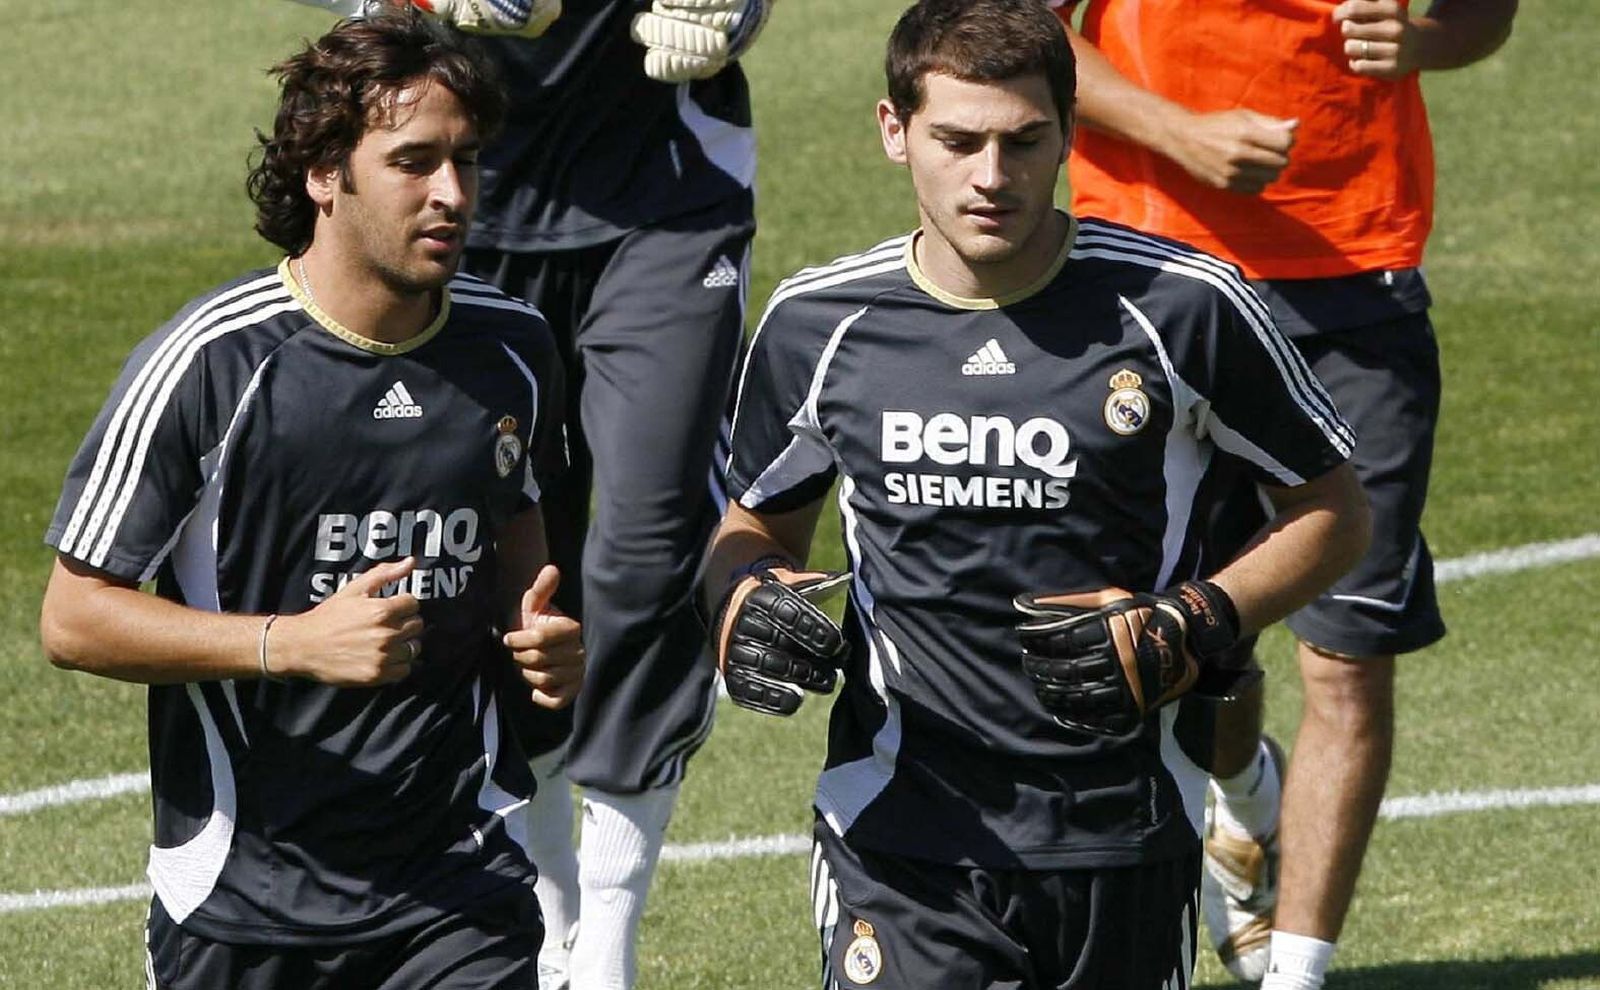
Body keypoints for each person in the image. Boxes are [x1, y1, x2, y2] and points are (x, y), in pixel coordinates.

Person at [703, 0, 1371, 986]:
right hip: (899, 827)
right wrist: (744, 598)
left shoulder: (1184, 307)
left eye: (1022, 142)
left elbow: (1336, 514)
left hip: (1124, 831)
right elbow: (752, 525)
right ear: (894, 134)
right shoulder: (818, 324)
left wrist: (1194, 620)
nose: (989, 176)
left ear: (1068, 132)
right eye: (956, 140)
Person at [37, 11, 582, 989]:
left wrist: (539, 640)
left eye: (466, 161)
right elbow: (74, 619)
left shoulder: (514, 350)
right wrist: (286, 644)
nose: (452, 194)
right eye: (415, 162)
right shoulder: (212, 365)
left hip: (458, 887)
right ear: (325, 171)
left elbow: (516, 537)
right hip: (246, 902)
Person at [284, 1, 771, 985]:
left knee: (645, 544)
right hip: (459, 189)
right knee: (505, 565)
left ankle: (608, 953)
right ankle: (550, 913)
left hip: (665, 193)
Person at [1053, 0, 1517, 984]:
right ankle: (1246, 795)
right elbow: (1018, 30)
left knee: (1348, 659)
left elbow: (1484, 12)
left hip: (1353, 284)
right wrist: (1177, 132)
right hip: (1153, 275)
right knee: (1158, 644)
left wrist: (1428, 43)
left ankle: (1295, 975)